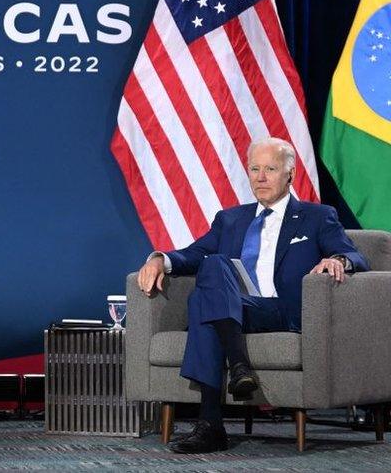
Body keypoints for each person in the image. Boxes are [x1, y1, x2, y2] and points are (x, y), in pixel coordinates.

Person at [137, 136, 368, 454]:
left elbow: (354, 256)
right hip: (235, 306)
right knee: (214, 265)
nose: (260, 177)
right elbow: (194, 253)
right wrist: (160, 259)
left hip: (280, 310)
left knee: (202, 303)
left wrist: (337, 260)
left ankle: (211, 423)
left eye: (270, 169)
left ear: (290, 173)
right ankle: (236, 372)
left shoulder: (318, 216)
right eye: (254, 169)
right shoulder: (230, 218)